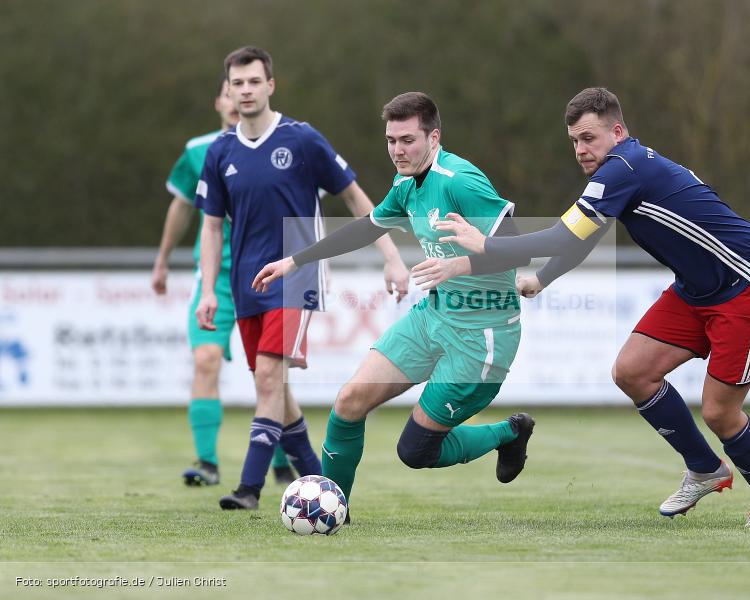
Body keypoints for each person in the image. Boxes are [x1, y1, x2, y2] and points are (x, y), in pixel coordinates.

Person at [433, 87, 750, 527]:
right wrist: (542, 279)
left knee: (719, 411)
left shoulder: (623, 168)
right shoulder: (622, 170)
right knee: (632, 371)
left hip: (747, 284)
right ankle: (705, 468)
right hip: (695, 291)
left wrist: (484, 243)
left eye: (589, 137)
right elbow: (583, 236)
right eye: (574, 141)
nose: (581, 149)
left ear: (618, 131)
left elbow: (561, 237)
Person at [252, 92, 535, 512]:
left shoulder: (461, 181)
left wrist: (460, 266)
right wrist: (295, 260)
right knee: (349, 401)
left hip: (482, 334)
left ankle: (508, 433)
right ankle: (330, 509)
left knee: (416, 451)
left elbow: (518, 251)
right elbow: (367, 228)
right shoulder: (405, 183)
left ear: (433, 137)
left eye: (408, 140)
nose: (398, 150)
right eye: (391, 140)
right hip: (433, 316)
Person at [195, 47, 409, 510]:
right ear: (228, 91)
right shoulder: (220, 151)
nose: (246, 90)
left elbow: (356, 199)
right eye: (238, 83)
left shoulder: (303, 139)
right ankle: (322, 486)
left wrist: (391, 256)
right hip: (247, 283)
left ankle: (249, 488)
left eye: (255, 81)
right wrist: (208, 290)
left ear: (271, 86)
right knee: (276, 391)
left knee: (270, 377)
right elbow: (212, 228)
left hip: (299, 274)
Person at [151, 75, 297, 487]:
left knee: (271, 375)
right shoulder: (200, 151)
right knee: (205, 359)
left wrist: (304, 268)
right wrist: (162, 261)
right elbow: (181, 208)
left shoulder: (286, 145)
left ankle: (282, 462)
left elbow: (305, 208)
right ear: (220, 101)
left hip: (270, 278)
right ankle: (207, 462)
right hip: (216, 280)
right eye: (231, 90)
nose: (238, 97)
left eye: (247, 88)